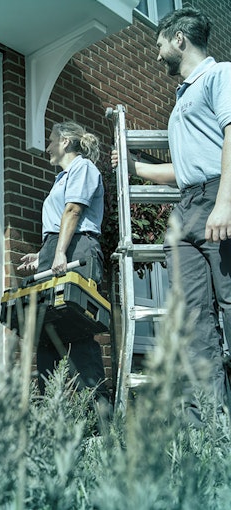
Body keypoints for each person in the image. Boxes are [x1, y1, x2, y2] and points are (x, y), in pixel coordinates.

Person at [112, 8, 231, 422]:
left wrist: (225, 202)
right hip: (188, 207)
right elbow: (184, 169)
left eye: (159, 44)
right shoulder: (181, 99)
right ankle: (210, 430)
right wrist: (136, 168)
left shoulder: (220, 75)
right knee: (192, 321)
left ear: (179, 39)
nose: (156, 53)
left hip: (219, 197)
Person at [19, 121, 108, 400]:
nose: (47, 147)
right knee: (47, 334)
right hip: (59, 248)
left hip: (77, 249)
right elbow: (60, 222)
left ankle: (98, 415)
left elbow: (73, 211)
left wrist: (59, 252)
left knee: (77, 331)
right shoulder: (61, 177)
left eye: (50, 140)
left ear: (65, 142)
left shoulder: (83, 167)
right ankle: (50, 411)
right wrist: (44, 253)